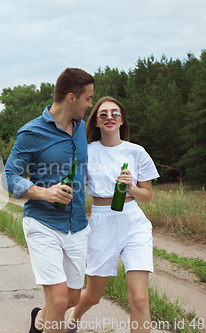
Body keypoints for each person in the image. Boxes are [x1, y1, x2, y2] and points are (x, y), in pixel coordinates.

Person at [2, 68, 94, 333]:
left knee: (73, 298)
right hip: (42, 222)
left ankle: (40, 319)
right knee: (60, 299)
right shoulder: (31, 132)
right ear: (71, 98)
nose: (90, 104)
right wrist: (44, 192)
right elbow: (9, 176)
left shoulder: (80, 130)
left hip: (77, 225)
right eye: (88, 99)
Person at [67, 96, 159, 333]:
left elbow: (147, 195)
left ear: (122, 120)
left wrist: (131, 187)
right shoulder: (86, 153)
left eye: (115, 113)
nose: (109, 118)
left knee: (139, 298)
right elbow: (74, 190)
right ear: (96, 122)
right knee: (93, 296)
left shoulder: (137, 152)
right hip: (101, 222)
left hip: (134, 223)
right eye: (103, 114)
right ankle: (74, 318)